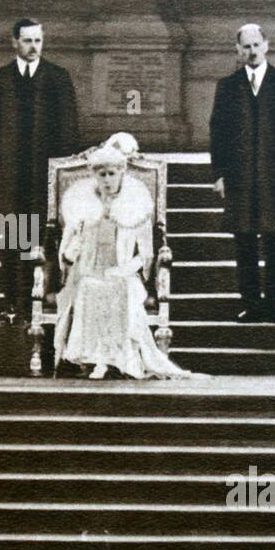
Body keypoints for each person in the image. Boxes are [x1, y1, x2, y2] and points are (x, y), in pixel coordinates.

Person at [53, 137, 190, 380]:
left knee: (118, 291)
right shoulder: (83, 205)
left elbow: (144, 254)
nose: (107, 180)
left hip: (122, 271)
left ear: (121, 173)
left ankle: (116, 358)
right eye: (102, 174)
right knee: (87, 288)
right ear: (94, 176)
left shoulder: (135, 204)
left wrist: (125, 270)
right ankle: (94, 358)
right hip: (88, 270)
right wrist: (70, 254)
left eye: (111, 174)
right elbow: (71, 242)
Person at [0, 18, 80, 318]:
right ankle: (13, 304)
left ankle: (40, 303)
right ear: (14, 42)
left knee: (42, 238)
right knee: (11, 239)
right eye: (27, 41)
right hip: (10, 176)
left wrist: (63, 174)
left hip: (43, 176)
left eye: (38, 41)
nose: (33, 47)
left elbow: (69, 131)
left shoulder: (58, 78)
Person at [208, 23, 275, 323]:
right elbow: (218, 133)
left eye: (256, 45)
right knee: (245, 245)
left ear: (266, 45)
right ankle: (251, 305)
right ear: (238, 50)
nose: (251, 52)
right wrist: (219, 174)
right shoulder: (227, 86)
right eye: (245, 47)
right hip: (240, 180)